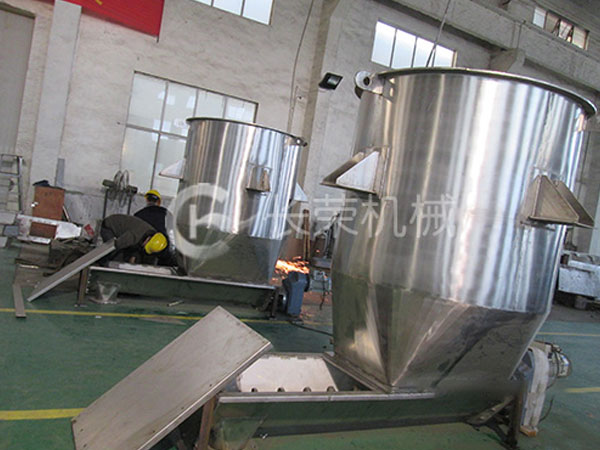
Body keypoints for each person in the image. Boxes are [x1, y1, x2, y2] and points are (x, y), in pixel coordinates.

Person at [100, 214, 167, 263]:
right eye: (145, 246)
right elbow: (116, 246)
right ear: (148, 239)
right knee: (117, 259)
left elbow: (138, 246)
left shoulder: (152, 233)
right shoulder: (133, 236)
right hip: (109, 226)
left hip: (126, 234)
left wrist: (133, 257)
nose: (144, 247)